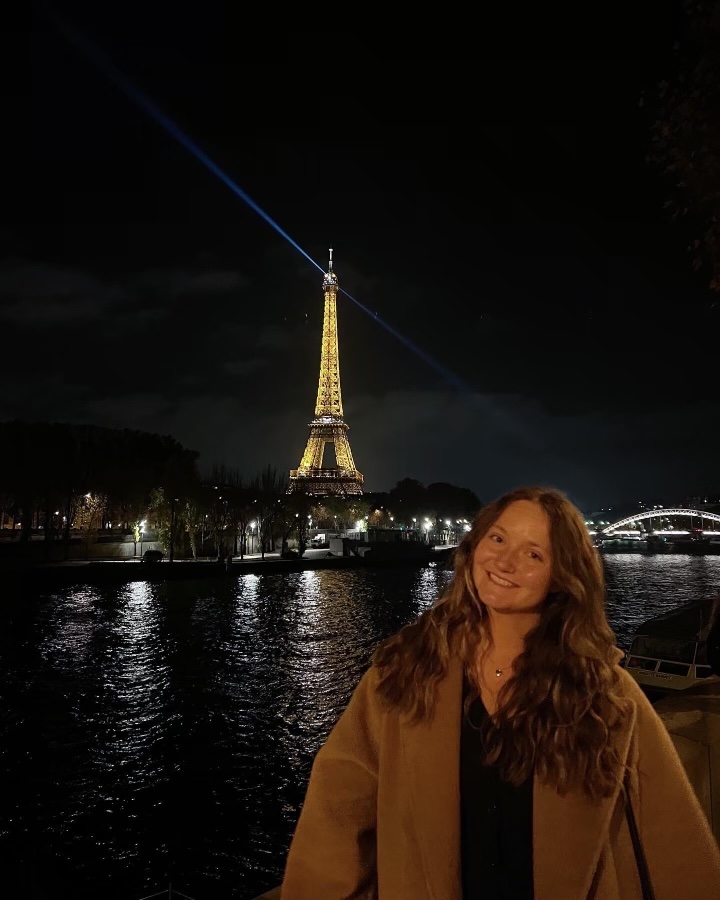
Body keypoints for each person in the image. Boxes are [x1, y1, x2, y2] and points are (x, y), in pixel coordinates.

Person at [280, 486, 720, 899]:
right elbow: (337, 813)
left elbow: (672, 834)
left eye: (533, 553)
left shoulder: (604, 693)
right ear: (474, 547)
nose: (505, 562)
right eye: (497, 540)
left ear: (562, 577)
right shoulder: (402, 674)